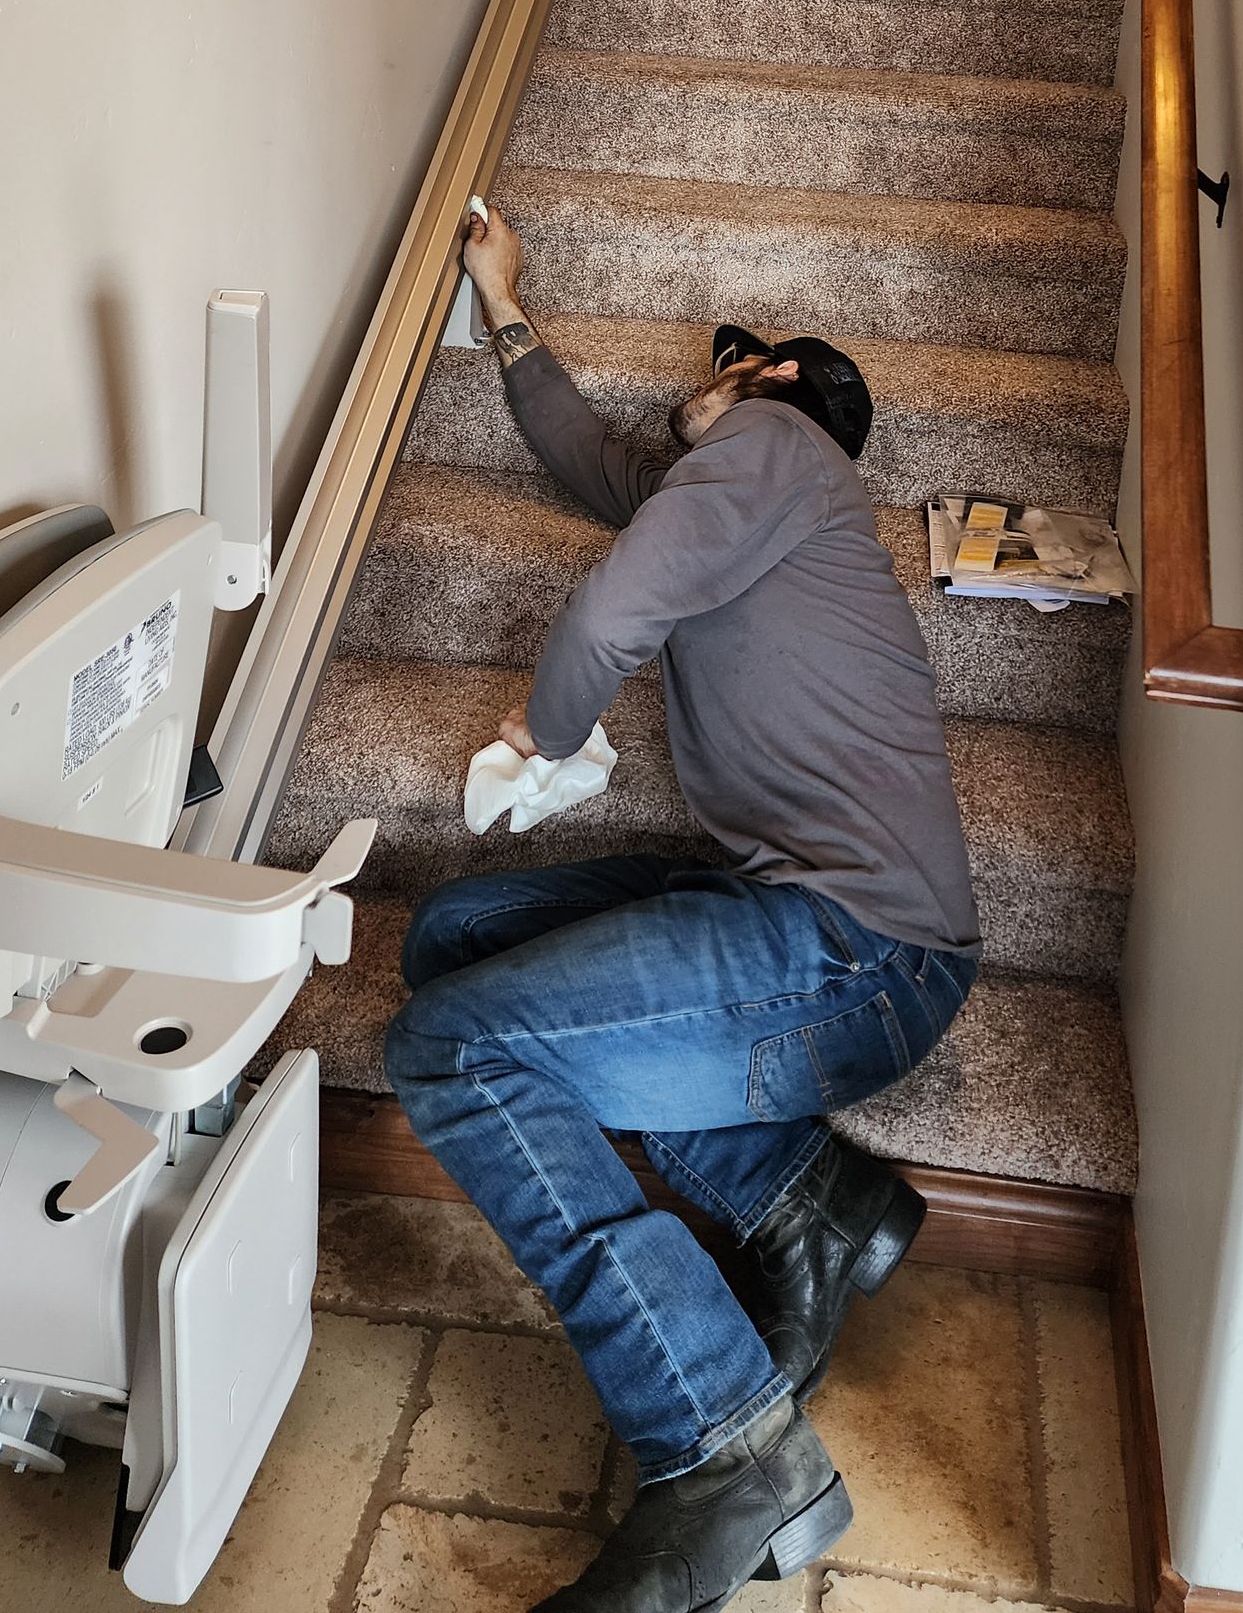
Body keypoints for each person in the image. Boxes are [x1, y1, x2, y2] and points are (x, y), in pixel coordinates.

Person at [384, 200, 981, 1613]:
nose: (696, 382)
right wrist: (504, 305)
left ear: (779, 387)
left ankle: (721, 1446)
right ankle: (804, 1195)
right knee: (449, 940)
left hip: (853, 951)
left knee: (454, 1047)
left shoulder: (780, 451)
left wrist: (539, 735)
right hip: (799, 916)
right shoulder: (731, 500)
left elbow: (601, 622)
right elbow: (594, 458)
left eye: (728, 359)